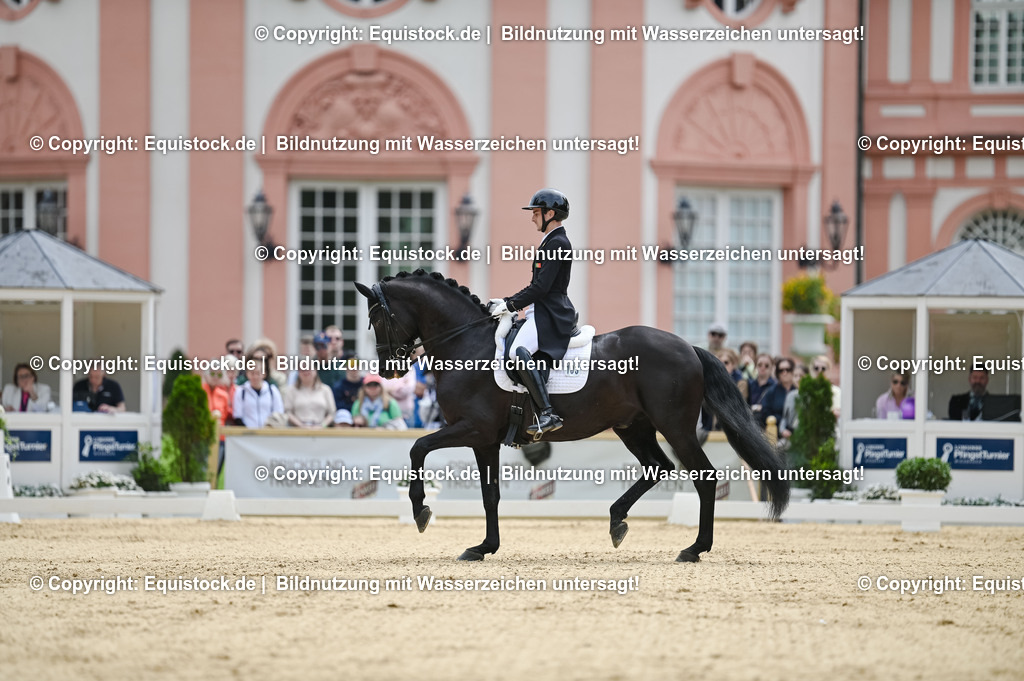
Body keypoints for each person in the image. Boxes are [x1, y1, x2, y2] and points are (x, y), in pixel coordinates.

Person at [488, 188, 576, 436]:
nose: (532, 218)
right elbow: (537, 288)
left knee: (517, 352)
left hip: (550, 313)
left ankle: (547, 412)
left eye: (536, 213)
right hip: (541, 310)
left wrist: (510, 305)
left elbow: (541, 287)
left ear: (550, 213)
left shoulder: (557, 242)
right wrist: (508, 301)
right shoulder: (550, 240)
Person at [232, 355, 284, 428]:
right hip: (247, 434)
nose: (255, 377)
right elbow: (237, 415)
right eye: (252, 373)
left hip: (269, 433)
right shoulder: (241, 391)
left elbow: (278, 412)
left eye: (258, 373)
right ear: (247, 374)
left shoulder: (272, 390)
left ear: (264, 374)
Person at [761, 357, 796, 434]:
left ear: (793, 371)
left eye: (788, 369)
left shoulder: (798, 390)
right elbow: (765, 413)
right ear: (777, 373)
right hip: (775, 433)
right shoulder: (771, 391)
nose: (784, 372)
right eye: (781, 370)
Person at [748, 353, 776, 421]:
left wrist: (761, 407)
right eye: (760, 365)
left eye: (766, 366)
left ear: (772, 368)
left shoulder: (775, 386)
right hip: (751, 422)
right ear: (755, 366)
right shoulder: (749, 384)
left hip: (768, 422)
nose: (762, 368)